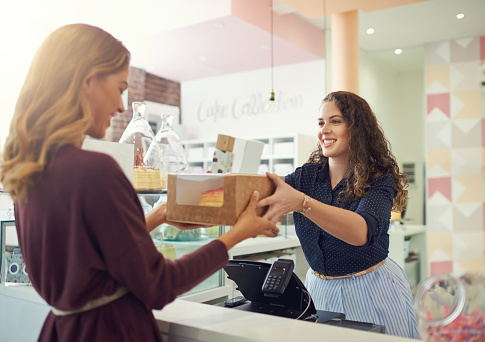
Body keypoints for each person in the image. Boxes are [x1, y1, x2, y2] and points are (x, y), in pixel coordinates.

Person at [0, 23, 278, 342]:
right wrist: (238, 233)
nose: (121, 106)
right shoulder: (95, 170)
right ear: (87, 80)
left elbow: (90, 254)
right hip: (112, 330)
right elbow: (159, 285)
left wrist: (160, 216)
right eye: (119, 87)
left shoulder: (28, 170)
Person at [257, 91, 419, 338]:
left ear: (357, 128)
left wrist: (302, 203)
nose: (324, 130)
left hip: (372, 289)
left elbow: (360, 231)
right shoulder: (305, 177)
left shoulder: (379, 179)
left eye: (335, 121)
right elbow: (262, 194)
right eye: (321, 123)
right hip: (319, 290)